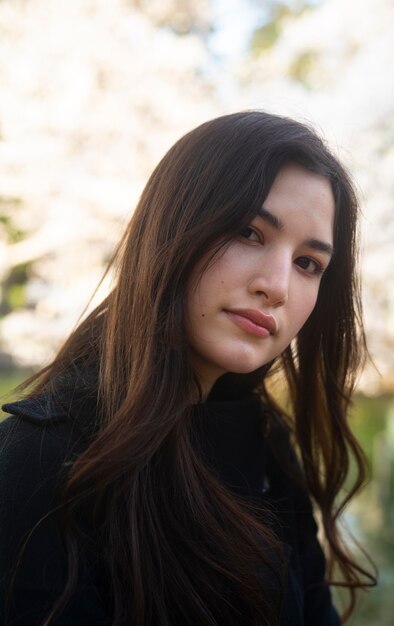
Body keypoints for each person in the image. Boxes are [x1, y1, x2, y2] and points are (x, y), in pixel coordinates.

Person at [0, 111, 374, 626]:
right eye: (249, 232)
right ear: (173, 229)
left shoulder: (266, 446)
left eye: (308, 263)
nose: (278, 285)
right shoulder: (39, 462)